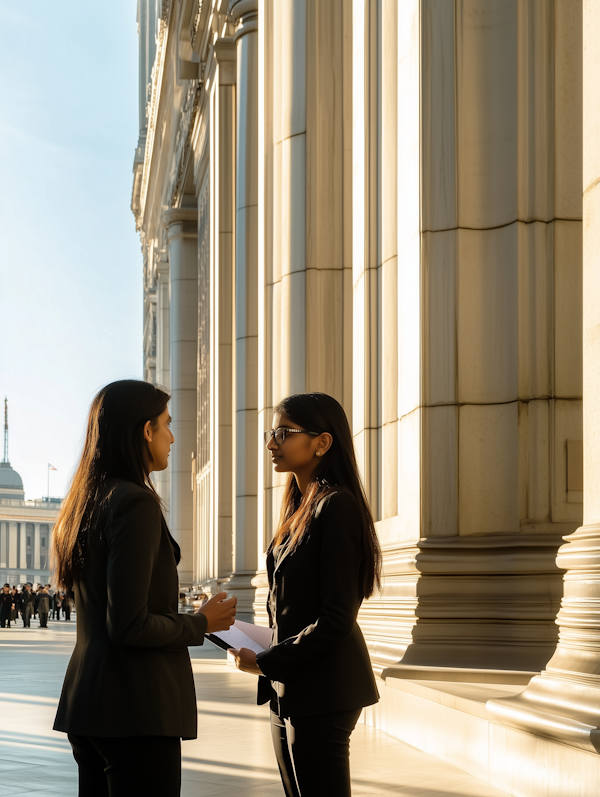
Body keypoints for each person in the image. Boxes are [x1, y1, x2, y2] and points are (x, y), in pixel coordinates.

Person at [51, 379, 237, 797]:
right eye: (167, 425)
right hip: (134, 710)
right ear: (145, 431)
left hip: (89, 703)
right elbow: (130, 625)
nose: (173, 437)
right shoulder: (134, 502)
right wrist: (201, 623)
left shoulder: (88, 501)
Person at [231, 392, 382, 797]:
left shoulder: (337, 507)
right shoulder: (298, 508)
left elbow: (336, 618)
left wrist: (265, 661)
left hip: (325, 687)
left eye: (283, 433)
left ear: (322, 442)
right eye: (271, 433)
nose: (271, 444)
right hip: (291, 683)